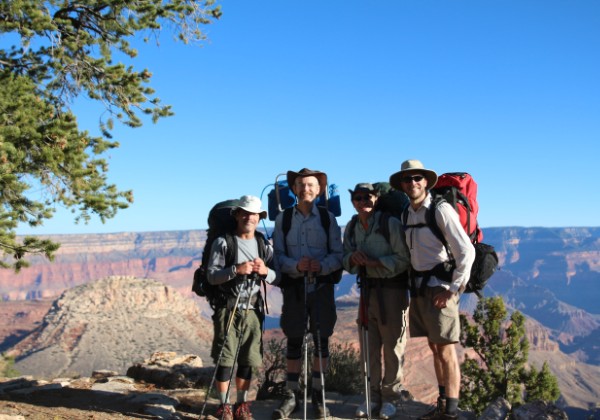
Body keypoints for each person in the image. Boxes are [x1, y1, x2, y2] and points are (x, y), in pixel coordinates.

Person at [390, 160, 475, 420]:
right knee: (435, 348)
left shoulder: (440, 209)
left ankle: (451, 411)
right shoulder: (407, 213)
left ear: (426, 181)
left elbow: (466, 251)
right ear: (402, 185)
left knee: (446, 349)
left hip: (441, 289)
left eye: (417, 178)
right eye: (407, 179)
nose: (412, 183)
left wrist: (452, 290)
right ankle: (442, 405)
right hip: (420, 289)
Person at [272, 168, 343, 419]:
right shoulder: (283, 219)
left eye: (311, 185)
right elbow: (277, 256)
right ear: (294, 189)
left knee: (321, 341)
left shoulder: (328, 218)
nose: (306, 189)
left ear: (320, 189)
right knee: (294, 339)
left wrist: (322, 266)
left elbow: (338, 254)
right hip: (294, 288)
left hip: (321, 287)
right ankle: (291, 394)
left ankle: (319, 394)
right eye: (301, 185)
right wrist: (295, 266)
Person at [342, 183, 412, 419]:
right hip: (366, 293)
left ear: (377, 199)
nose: (364, 202)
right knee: (368, 348)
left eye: (368, 197)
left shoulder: (389, 224)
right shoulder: (352, 227)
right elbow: (345, 260)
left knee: (393, 347)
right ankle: (371, 398)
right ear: (353, 201)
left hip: (392, 292)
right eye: (359, 198)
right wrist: (353, 258)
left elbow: (403, 259)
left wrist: (376, 262)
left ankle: (391, 398)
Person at [206, 195, 277, 420]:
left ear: (259, 217)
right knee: (225, 360)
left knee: (249, 360)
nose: (249, 217)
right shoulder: (223, 242)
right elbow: (211, 277)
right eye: (245, 213)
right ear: (236, 215)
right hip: (228, 309)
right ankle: (224, 405)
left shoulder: (264, 245)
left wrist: (266, 272)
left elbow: (278, 276)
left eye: (254, 214)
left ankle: (242, 404)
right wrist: (236, 270)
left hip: (253, 311)